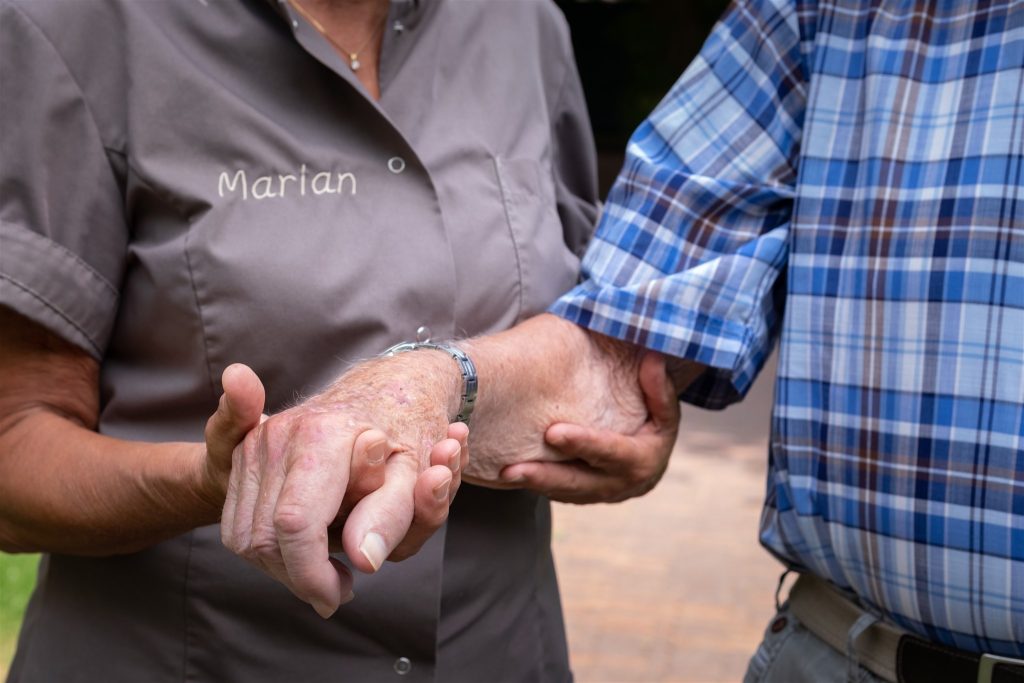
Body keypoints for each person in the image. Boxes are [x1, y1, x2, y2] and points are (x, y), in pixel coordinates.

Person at [254, 1, 1023, 681]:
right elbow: (619, 333)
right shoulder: (830, 12)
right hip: (845, 655)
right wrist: (418, 390)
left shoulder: (523, 31)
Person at [0, 1, 677, 681]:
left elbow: (580, 332)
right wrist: (221, 483)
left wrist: (611, 420)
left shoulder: (523, 23)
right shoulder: (73, 23)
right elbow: (14, 446)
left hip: (497, 651)